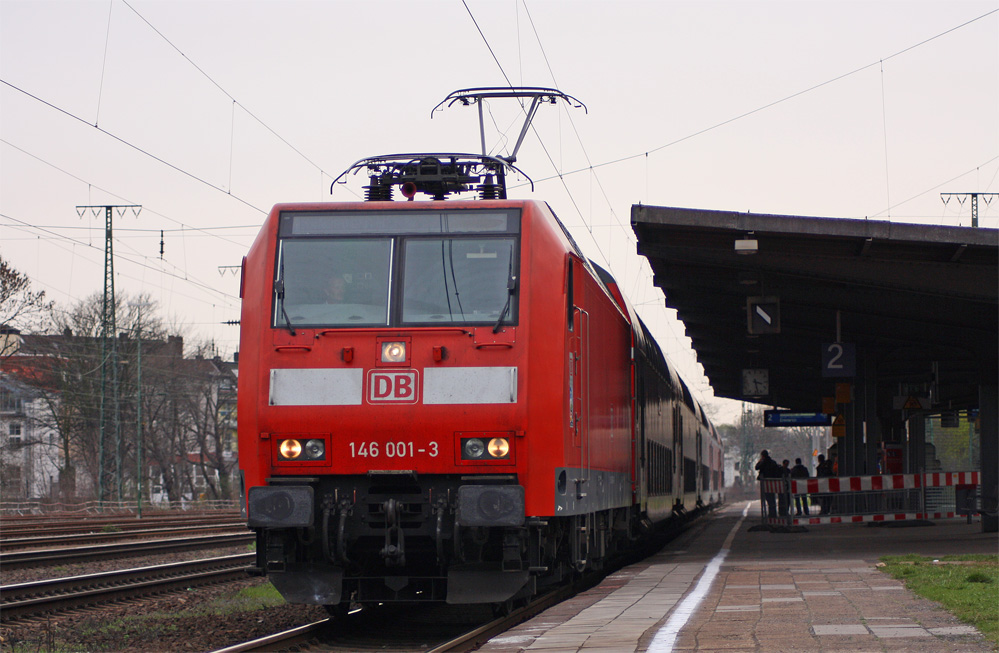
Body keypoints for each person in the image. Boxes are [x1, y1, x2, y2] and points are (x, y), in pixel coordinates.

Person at [755, 450, 782, 517]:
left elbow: (756, 467)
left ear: (763, 456)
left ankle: (771, 514)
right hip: (773, 482)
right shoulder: (773, 462)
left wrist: (760, 460)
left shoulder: (763, 462)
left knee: (768, 499)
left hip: (766, 483)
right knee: (772, 498)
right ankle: (774, 513)